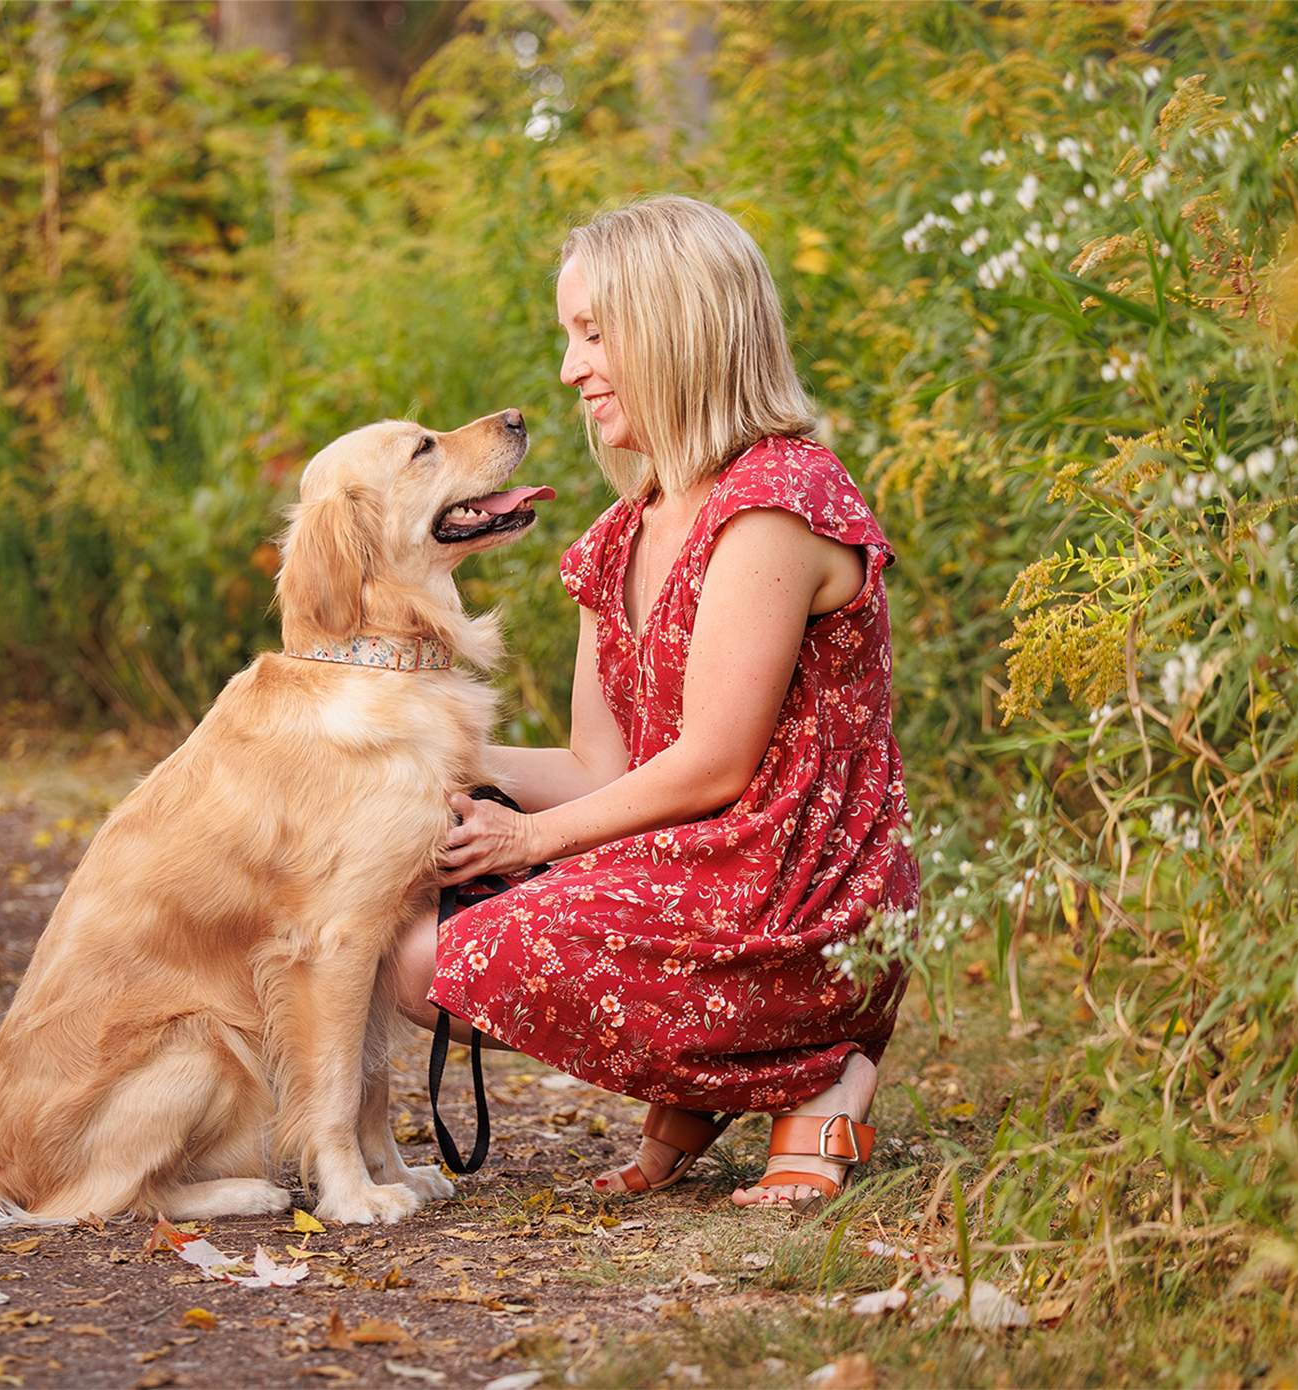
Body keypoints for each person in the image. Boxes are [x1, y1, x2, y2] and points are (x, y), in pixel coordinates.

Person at [392, 195, 919, 1207]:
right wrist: (411, 761)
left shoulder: (773, 503)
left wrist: (516, 844)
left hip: (794, 894)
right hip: (690, 863)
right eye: (567, 335)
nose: (568, 367)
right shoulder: (618, 535)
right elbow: (604, 771)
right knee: (391, 919)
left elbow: (712, 762)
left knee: (432, 957)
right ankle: (714, 1071)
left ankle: (814, 1058)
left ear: (681, 328)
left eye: (593, 333)